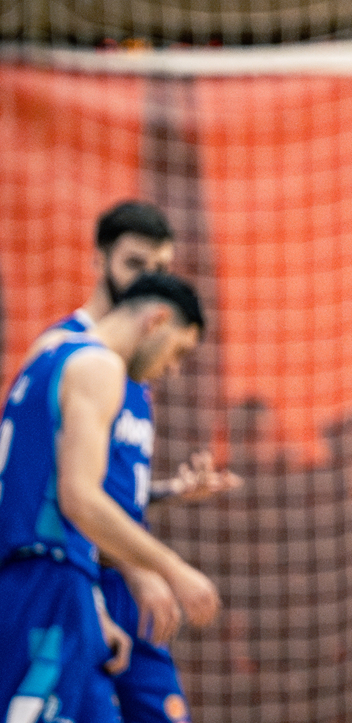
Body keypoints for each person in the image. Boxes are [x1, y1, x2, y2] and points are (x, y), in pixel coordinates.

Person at [51, 200, 240, 723]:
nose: (148, 280)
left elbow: (104, 483)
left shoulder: (134, 364)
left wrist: (167, 490)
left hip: (124, 577)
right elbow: (65, 490)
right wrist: (150, 568)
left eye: (160, 268)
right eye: (135, 264)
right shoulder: (73, 355)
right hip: (80, 576)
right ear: (99, 259)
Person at [1, 273, 221, 723]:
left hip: (51, 583)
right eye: (178, 351)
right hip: (46, 586)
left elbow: (38, 486)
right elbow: (80, 499)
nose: (173, 369)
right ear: (156, 320)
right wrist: (172, 568)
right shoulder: (99, 367)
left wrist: (93, 608)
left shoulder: (49, 353)